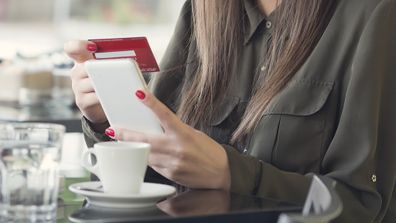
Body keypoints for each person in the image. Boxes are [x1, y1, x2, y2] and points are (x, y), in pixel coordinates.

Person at [64, 0, 396, 222]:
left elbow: (363, 207)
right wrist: (108, 117)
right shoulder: (204, 10)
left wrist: (231, 174)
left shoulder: (374, 13)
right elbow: (153, 177)